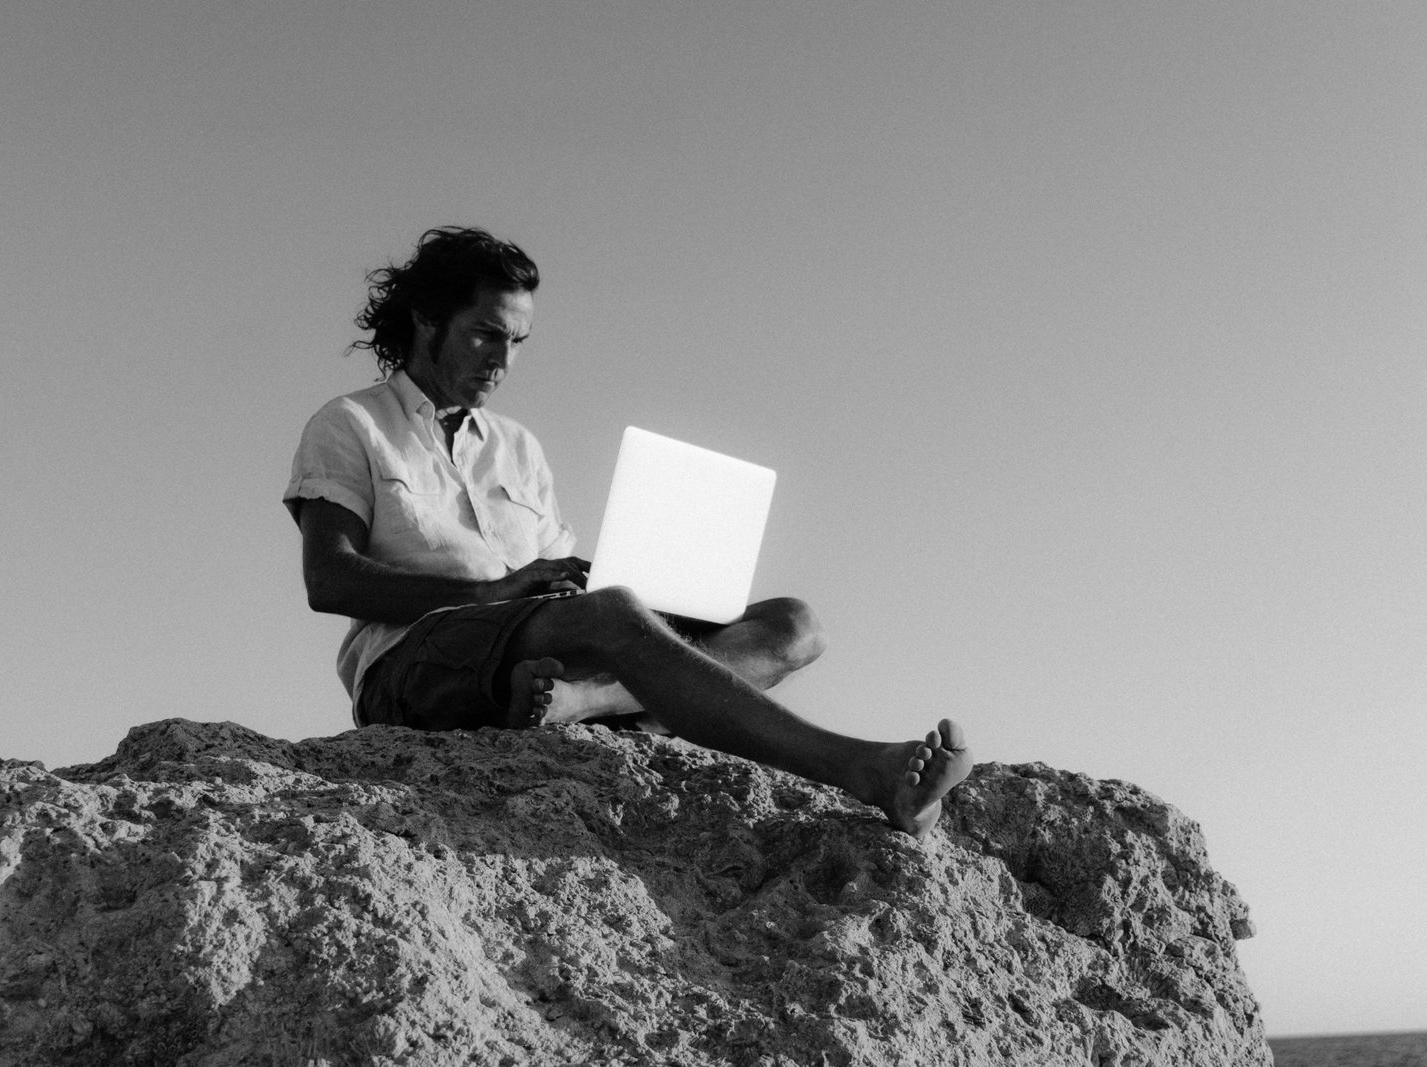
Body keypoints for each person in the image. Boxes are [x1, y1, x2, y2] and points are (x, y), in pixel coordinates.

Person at [285, 227, 973, 836]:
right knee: (614, 617)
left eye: (517, 341)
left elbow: (554, 580)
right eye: (485, 332)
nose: (502, 359)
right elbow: (329, 579)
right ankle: (863, 768)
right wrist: (492, 591)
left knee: (795, 623)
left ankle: (589, 699)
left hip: (534, 643)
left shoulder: (518, 446)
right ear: (426, 318)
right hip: (415, 660)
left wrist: (618, 577)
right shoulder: (351, 424)